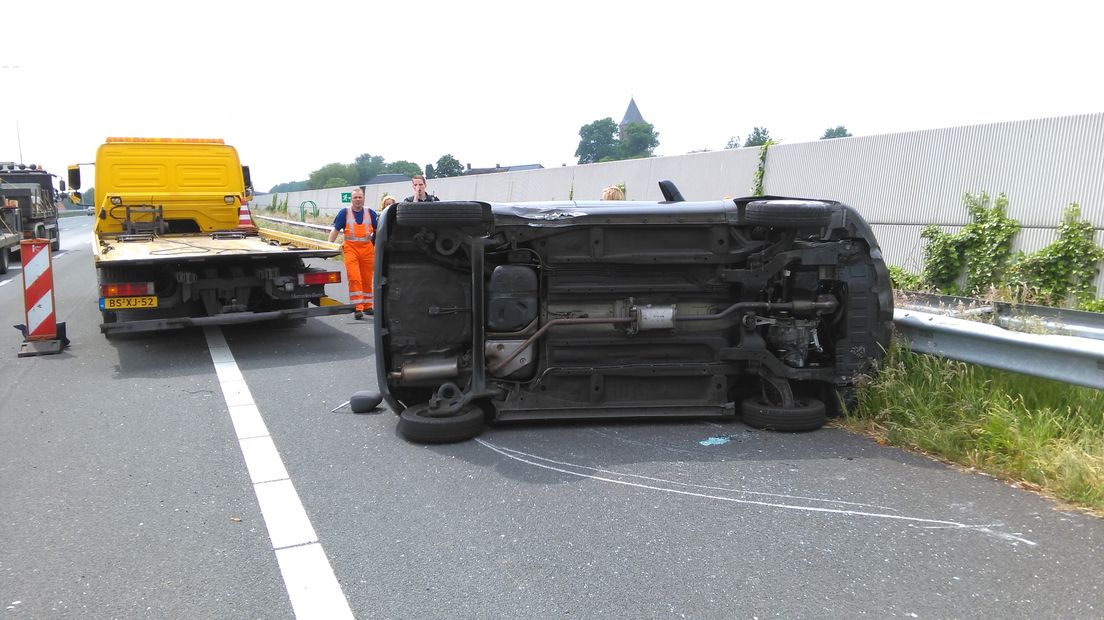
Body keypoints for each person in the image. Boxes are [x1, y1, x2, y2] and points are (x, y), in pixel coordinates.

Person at [327, 188, 378, 319]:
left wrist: (378, 245)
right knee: (355, 278)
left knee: (367, 279)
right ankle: (357, 308)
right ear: (351, 199)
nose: (358, 200)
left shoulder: (370, 212)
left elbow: (379, 231)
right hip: (351, 249)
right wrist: (328, 247)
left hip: (367, 250)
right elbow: (336, 230)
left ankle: (367, 306)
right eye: (355, 197)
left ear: (363, 198)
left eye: (360, 197)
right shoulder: (344, 212)